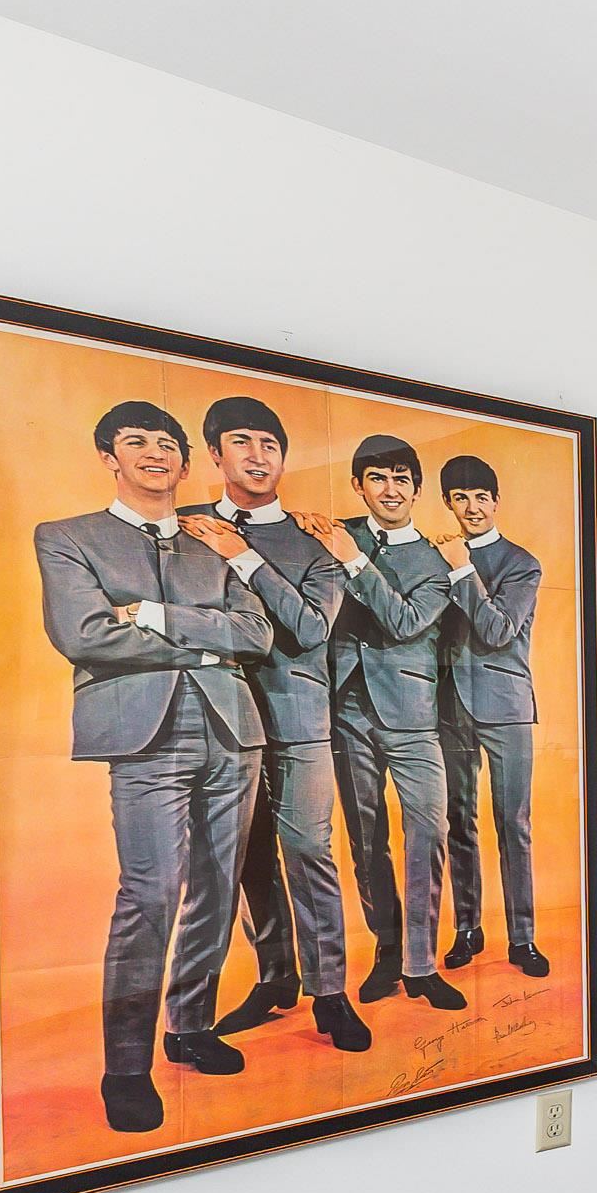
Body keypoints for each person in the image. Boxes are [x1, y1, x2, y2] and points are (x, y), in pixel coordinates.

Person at [32, 401, 274, 1132]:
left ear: (185, 461)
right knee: (151, 892)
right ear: (110, 456)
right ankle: (126, 1067)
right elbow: (83, 635)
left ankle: (190, 1025)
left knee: (216, 885)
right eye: (136, 442)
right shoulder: (69, 537)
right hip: (145, 734)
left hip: (235, 730)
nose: (154, 453)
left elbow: (257, 632)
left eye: (167, 443)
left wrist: (162, 619)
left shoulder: (211, 541)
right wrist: (209, 645)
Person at [180, 397, 369, 1052]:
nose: (257, 455)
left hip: (297, 717)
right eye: (241, 441)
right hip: (218, 722)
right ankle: (274, 975)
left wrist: (244, 557)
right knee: (244, 858)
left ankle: (331, 992)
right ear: (214, 453)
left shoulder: (316, 538)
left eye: (270, 443)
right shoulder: (180, 529)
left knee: (309, 851)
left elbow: (311, 629)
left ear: (283, 457)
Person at [300, 435, 472, 1012]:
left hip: (414, 714)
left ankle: (421, 966)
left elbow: (403, 623)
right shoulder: (331, 531)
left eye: (401, 479)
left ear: (417, 489)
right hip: (346, 709)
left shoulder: (439, 557)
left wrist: (351, 557)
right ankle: (387, 950)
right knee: (365, 839)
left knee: (429, 831)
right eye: (377, 478)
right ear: (359, 486)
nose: (390, 489)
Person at [434, 456, 550, 978]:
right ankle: (467, 928)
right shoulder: (436, 557)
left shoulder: (522, 563)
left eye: (481, 497)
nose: (472, 507)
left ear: (495, 502)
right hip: (449, 707)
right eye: (461, 498)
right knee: (460, 819)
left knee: (513, 824)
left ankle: (522, 938)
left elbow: (499, 630)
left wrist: (460, 567)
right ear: (448, 504)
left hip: (506, 709)